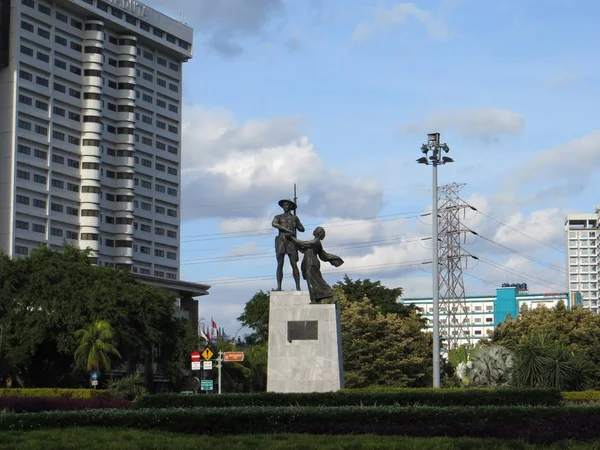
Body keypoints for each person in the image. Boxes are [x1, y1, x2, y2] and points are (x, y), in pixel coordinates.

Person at [287, 226, 344, 303]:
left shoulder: (316, 242)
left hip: (312, 263)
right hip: (308, 263)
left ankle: (333, 295)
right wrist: (295, 242)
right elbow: (303, 248)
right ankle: (314, 299)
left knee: (317, 281)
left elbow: (303, 243)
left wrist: (292, 238)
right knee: (311, 282)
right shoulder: (314, 243)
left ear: (318, 233)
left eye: (316, 230)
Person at [272, 199, 305, 291]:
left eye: (287, 205)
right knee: (280, 264)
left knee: (294, 264)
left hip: (291, 241)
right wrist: (285, 229)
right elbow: (274, 223)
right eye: (284, 205)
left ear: (290, 207)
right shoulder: (278, 217)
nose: (285, 207)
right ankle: (279, 286)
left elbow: (302, 229)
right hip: (281, 240)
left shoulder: (294, 218)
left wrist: (297, 225)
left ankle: (298, 287)